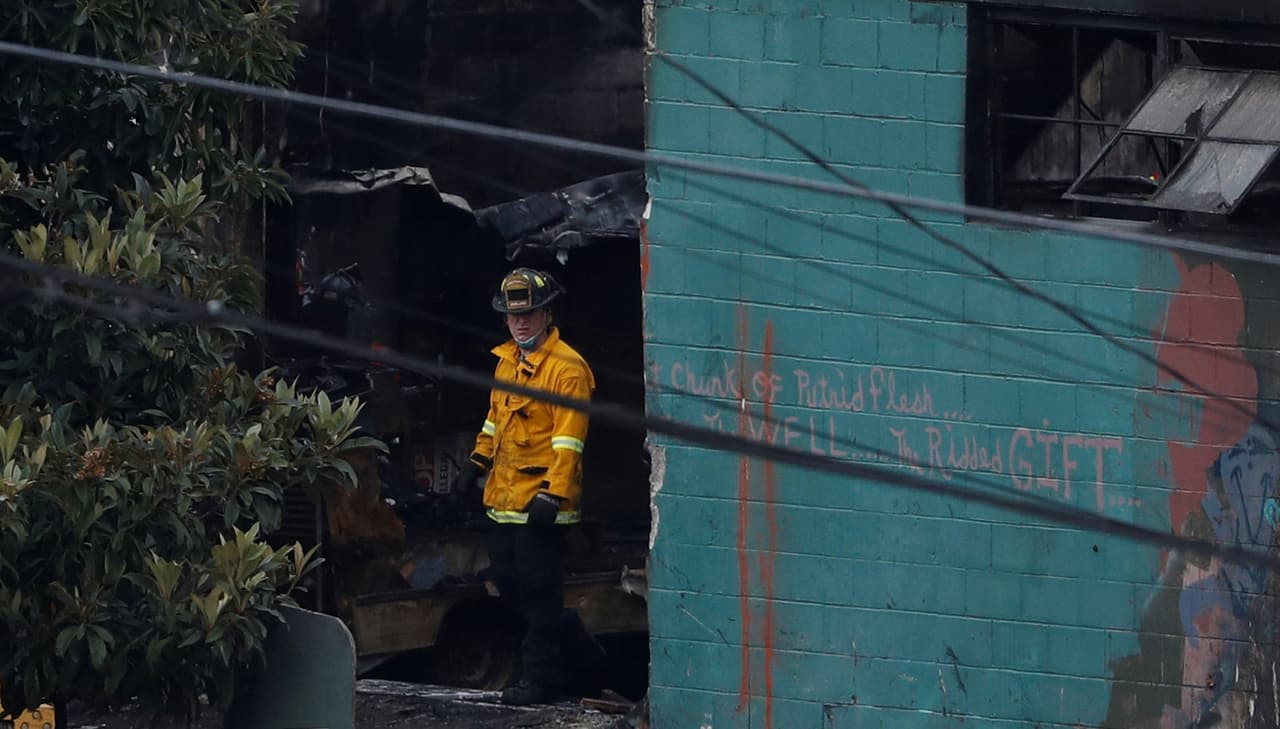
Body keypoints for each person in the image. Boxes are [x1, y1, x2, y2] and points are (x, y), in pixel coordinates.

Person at [451, 267, 597, 705]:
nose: (521, 323)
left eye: (530, 314)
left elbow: (569, 441)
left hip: (542, 505)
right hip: (503, 500)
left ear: (547, 314)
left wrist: (553, 494)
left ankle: (542, 680)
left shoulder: (567, 369)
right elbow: (495, 420)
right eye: (514, 317)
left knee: (538, 595)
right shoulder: (507, 362)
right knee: (510, 588)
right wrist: (476, 461)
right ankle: (574, 641)